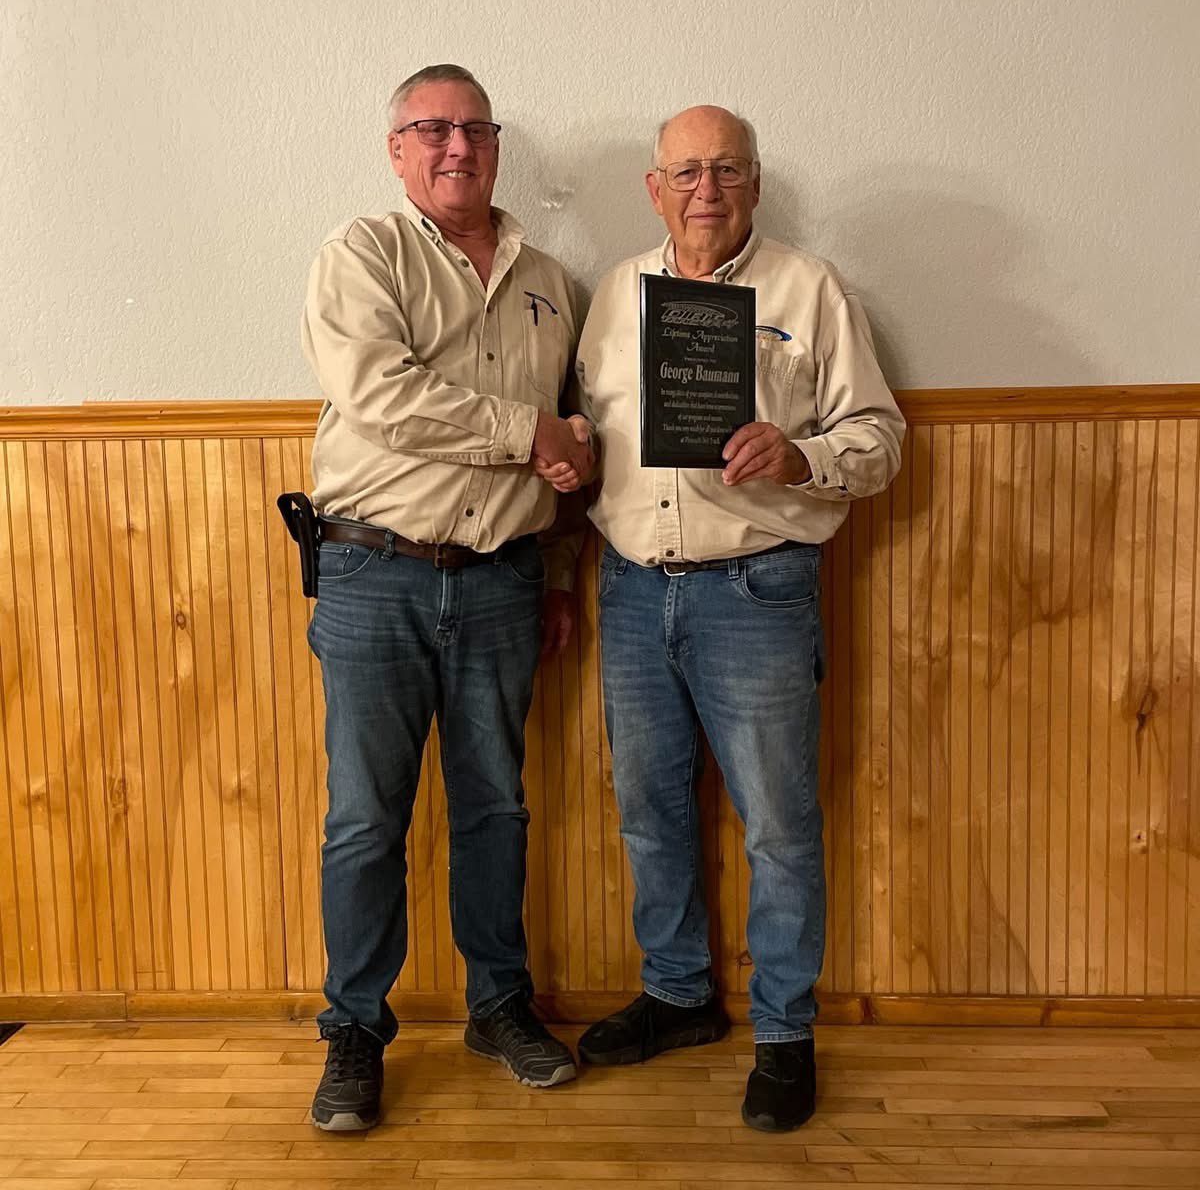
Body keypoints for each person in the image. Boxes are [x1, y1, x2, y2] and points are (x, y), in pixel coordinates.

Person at [571, 105, 905, 1131]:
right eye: (685, 172)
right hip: (631, 588)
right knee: (649, 810)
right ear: (653, 186)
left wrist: (800, 455)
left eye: (726, 171)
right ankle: (677, 996)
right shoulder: (616, 294)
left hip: (755, 589)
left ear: (755, 183)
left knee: (779, 826)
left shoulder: (810, 289)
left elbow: (881, 439)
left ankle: (785, 1031)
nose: (704, 191)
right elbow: (594, 423)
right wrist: (573, 453)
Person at [300, 64, 592, 1132]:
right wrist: (526, 434)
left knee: (496, 808)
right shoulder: (363, 253)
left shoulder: (554, 280)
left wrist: (557, 570)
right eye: (433, 129)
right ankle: (354, 1033)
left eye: (474, 128)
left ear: (498, 144)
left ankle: (500, 1008)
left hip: (506, 581)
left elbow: (574, 433)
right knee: (365, 821)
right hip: (373, 571)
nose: (457, 146)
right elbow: (379, 395)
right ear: (397, 149)